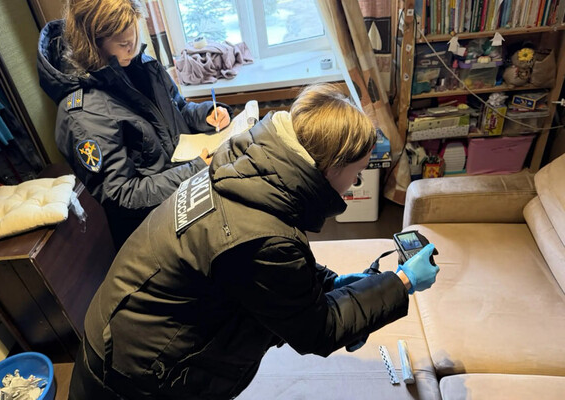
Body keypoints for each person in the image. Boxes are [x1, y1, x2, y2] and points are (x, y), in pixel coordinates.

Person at [68, 83, 440, 399]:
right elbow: (318, 329)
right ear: (331, 168)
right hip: (136, 369)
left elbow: (270, 276)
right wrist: (401, 282)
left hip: (121, 325)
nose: (353, 185)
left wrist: (332, 283)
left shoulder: (245, 169)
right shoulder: (262, 238)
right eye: (355, 175)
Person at [37, 0, 231, 248]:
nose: (133, 47)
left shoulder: (142, 65)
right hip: (154, 225)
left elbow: (179, 108)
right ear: (94, 44)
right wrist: (193, 170)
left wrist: (207, 115)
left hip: (189, 185)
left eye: (135, 36)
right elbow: (122, 194)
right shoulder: (82, 114)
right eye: (124, 44)